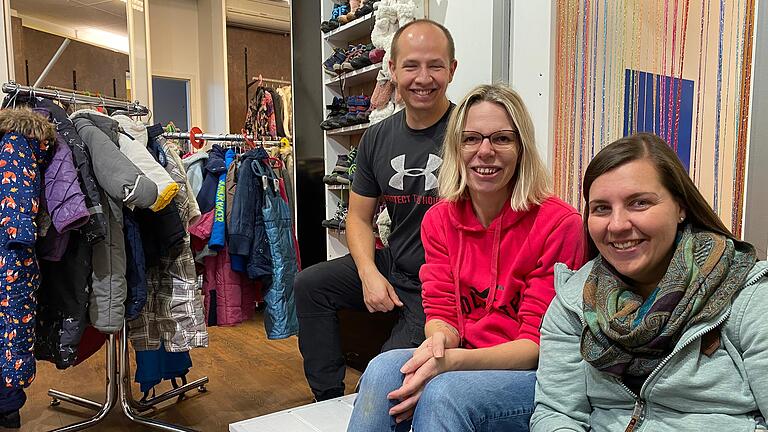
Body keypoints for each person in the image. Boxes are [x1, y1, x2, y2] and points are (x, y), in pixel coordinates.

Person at [347, 84, 586, 432]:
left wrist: (452, 365)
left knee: (445, 392)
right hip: (464, 361)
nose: (484, 151)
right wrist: (440, 341)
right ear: (455, 149)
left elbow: (536, 346)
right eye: (471, 139)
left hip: (533, 377)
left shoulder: (558, 224)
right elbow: (442, 312)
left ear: (521, 148)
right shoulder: (441, 220)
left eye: (501, 139)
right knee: (382, 370)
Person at [531, 133, 768, 431]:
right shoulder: (574, 303)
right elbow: (557, 414)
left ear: (680, 207)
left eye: (639, 203)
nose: (617, 225)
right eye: (601, 208)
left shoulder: (748, 294)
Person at [294, 19, 458, 402]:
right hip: (395, 265)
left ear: (452, 69)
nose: (423, 78)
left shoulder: (469, 132)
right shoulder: (377, 137)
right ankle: (329, 400)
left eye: (435, 65)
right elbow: (357, 216)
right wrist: (368, 273)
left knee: (383, 378)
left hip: (439, 283)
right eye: (411, 66)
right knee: (310, 285)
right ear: (393, 70)